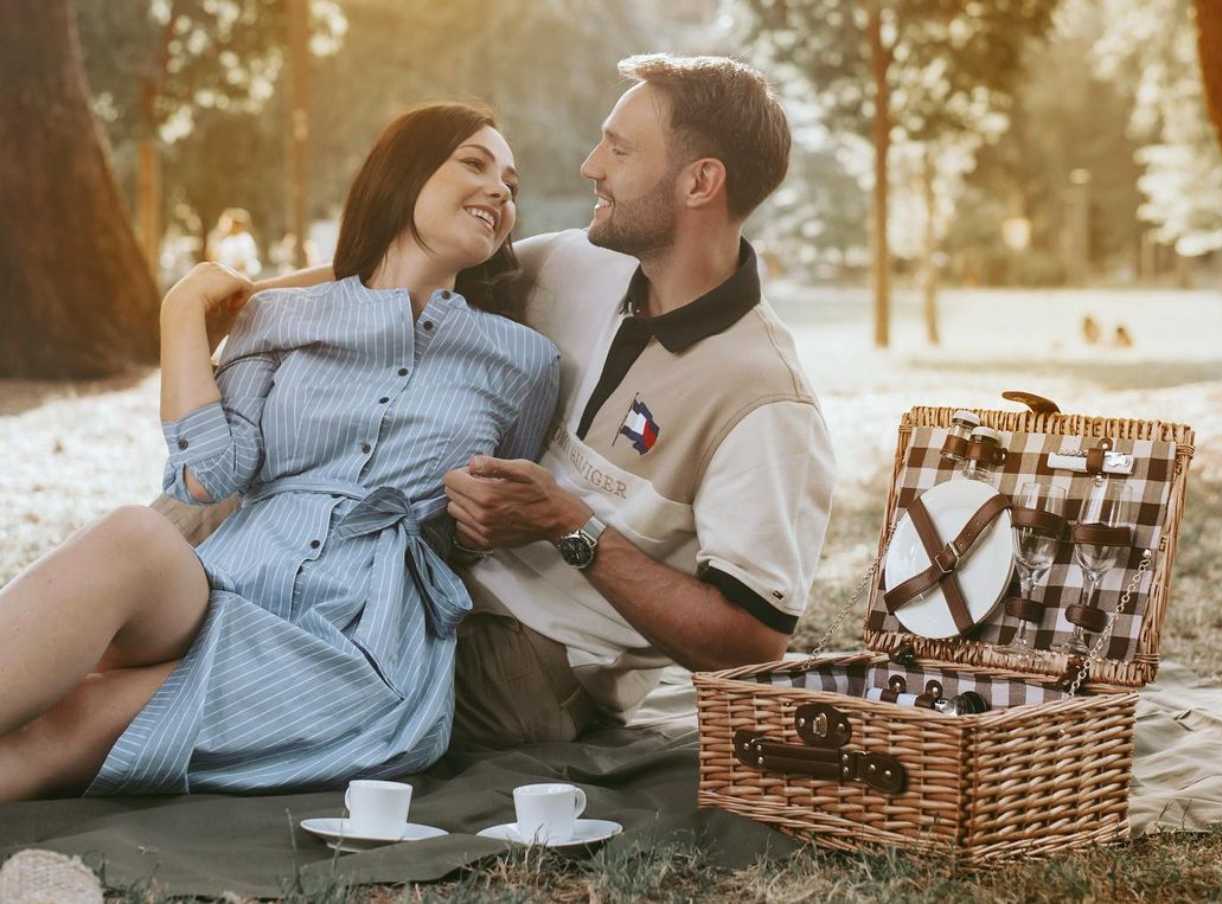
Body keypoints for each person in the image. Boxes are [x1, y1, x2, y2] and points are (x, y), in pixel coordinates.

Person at [251, 55, 837, 749]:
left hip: (531, 666)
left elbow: (750, 646)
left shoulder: (766, 401)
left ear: (700, 182)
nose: (592, 166)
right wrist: (236, 298)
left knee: (250, 645)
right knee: (218, 526)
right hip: (418, 575)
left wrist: (571, 525)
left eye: (619, 150)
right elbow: (411, 262)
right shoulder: (573, 265)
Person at [0, 102, 558, 800]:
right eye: (474, 163)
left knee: (71, 719)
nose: (500, 190)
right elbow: (206, 477)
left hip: (357, 645)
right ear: (403, 174)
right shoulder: (281, 319)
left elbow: (487, 528)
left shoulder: (524, 362)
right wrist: (180, 311)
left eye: (510, 181)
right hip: (229, 584)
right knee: (132, 534)